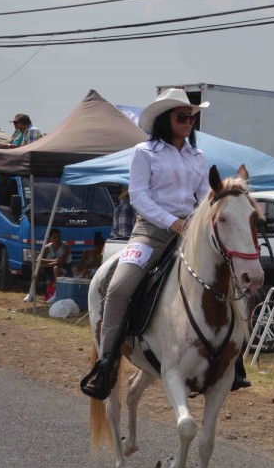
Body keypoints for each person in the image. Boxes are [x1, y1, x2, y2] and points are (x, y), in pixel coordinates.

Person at [81, 88, 250, 400]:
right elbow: (139, 196)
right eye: (182, 117)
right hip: (152, 231)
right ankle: (106, 364)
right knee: (119, 288)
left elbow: (205, 196)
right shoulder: (144, 153)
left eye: (191, 117)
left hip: (191, 231)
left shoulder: (198, 157)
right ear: (165, 120)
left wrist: (199, 221)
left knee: (232, 279)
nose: (189, 122)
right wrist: (171, 222)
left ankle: (234, 361)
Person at [40, 228, 73, 293]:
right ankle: (32, 291)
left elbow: (61, 263)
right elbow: (38, 259)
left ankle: (57, 292)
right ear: (50, 238)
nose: (57, 239)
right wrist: (55, 260)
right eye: (54, 237)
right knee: (37, 268)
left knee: (56, 268)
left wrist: (45, 265)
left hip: (65, 268)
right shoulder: (47, 247)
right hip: (50, 268)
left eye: (58, 237)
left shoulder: (65, 247)